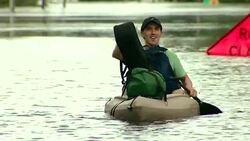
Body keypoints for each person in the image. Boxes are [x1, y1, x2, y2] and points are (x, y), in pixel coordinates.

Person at [112, 17, 197, 97]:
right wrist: (123, 37)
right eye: (149, 29)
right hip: (140, 96)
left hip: (167, 98)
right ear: (142, 34)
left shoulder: (169, 55)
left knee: (178, 91)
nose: (153, 32)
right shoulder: (135, 54)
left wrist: (189, 88)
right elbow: (116, 54)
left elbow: (185, 78)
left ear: (160, 33)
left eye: (156, 29)